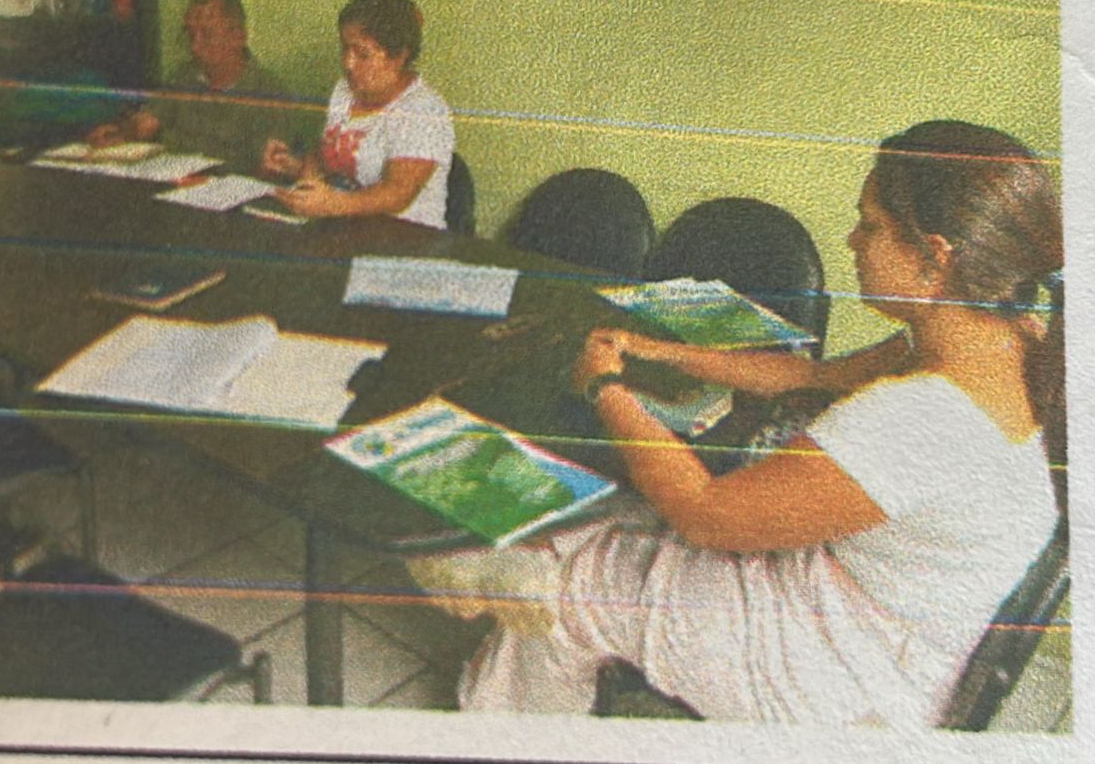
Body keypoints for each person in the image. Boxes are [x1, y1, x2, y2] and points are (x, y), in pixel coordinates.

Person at [410, 121, 1063, 727]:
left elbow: (704, 512)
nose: (852, 241)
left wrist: (606, 388)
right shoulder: (1006, 339)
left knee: (572, 595)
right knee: (617, 514)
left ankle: (500, 718)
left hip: (854, 674)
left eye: (870, 226)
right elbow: (807, 376)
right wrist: (659, 349)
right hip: (885, 612)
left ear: (935, 257)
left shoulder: (920, 417)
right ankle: (516, 582)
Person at [259, 0, 455, 229]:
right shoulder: (345, 89)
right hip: (346, 227)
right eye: (345, 49)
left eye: (362, 54)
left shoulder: (425, 109)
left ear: (399, 57)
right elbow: (325, 153)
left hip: (405, 236)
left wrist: (331, 204)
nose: (348, 64)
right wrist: (300, 170)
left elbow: (397, 194)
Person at [85, 0, 295, 172]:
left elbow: (271, 168)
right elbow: (146, 124)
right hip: (174, 186)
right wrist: (119, 133)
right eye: (191, 36)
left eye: (207, 35)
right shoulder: (184, 77)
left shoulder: (269, 92)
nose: (194, 47)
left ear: (238, 36)